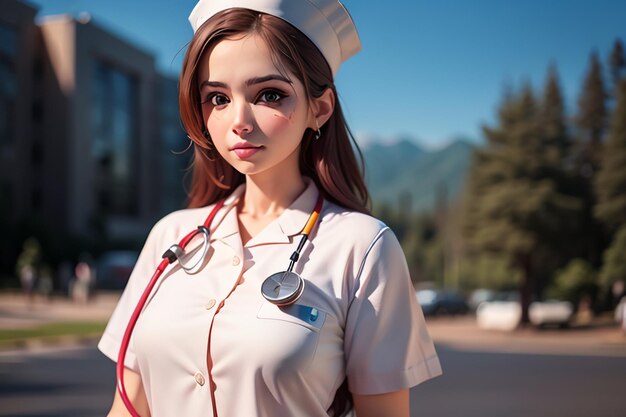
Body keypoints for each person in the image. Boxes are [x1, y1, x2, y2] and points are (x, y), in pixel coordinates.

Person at [98, 1, 442, 416]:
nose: (239, 120)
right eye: (218, 98)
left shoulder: (363, 248)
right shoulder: (171, 236)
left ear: (320, 108)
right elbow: (128, 406)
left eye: (269, 94)